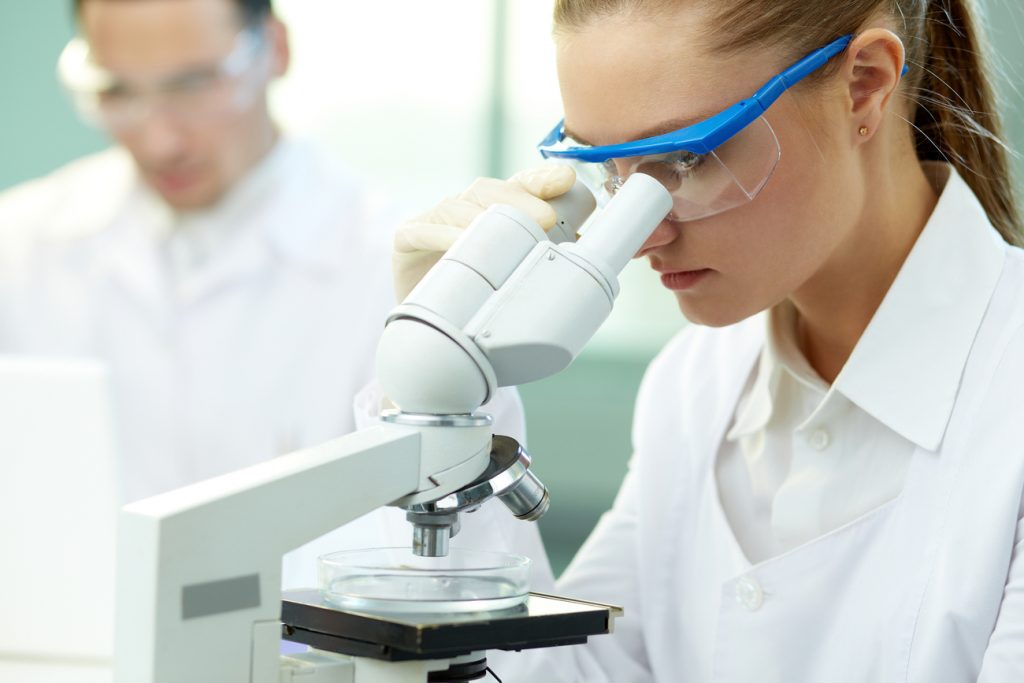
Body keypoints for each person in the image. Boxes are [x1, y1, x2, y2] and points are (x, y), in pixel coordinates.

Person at [394, 0, 1024, 679]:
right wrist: (445, 396)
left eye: (689, 157)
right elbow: (560, 672)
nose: (642, 236)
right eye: (607, 166)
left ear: (864, 84)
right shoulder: (695, 385)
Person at [0, 0, 550, 591]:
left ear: (275, 50)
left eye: (193, 84)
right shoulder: (21, 247)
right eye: (117, 92)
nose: (160, 139)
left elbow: (464, 569)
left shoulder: (393, 272)